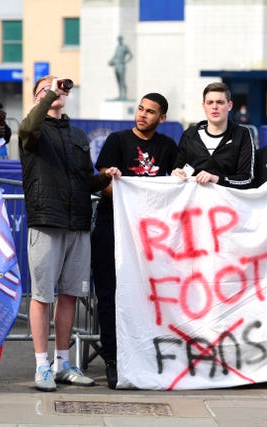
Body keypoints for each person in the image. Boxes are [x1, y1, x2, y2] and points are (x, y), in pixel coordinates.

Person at [19, 75, 120, 392]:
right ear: (38, 98)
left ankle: (63, 362)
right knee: (41, 296)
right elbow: (29, 129)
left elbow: (83, 180)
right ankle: (42, 365)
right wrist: (48, 95)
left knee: (70, 296)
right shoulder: (31, 129)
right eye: (45, 90)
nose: (54, 93)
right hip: (46, 221)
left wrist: (103, 178)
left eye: (56, 89)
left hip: (76, 222)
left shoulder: (77, 134)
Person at [91, 93, 178, 389]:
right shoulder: (117, 140)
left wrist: (180, 177)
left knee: (148, 296)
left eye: (150, 111)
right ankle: (112, 359)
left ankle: (146, 357)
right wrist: (113, 180)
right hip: (111, 227)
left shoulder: (167, 146)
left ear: (161, 118)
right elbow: (104, 183)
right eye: (140, 109)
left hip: (149, 235)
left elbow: (180, 181)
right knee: (108, 295)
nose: (142, 115)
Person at [171, 82, 255, 188]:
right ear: (204, 106)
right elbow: (176, 172)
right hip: (194, 203)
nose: (214, 107)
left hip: (227, 203)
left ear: (229, 106)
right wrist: (176, 173)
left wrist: (216, 179)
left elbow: (247, 180)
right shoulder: (190, 135)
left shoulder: (242, 134)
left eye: (220, 102)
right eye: (210, 102)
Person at [108, 35, 133, 100]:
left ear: (122, 39)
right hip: (116, 65)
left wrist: (125, 61)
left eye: (120, 39)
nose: (119, 40)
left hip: (122, 65)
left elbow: (131, 55)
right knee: (118, 81)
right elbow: (114, 56)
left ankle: (124, 95)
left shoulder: (125, 47)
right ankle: (120, 95)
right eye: (118, 39)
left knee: (122, 81)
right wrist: (111, 61)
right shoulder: (117, 47)